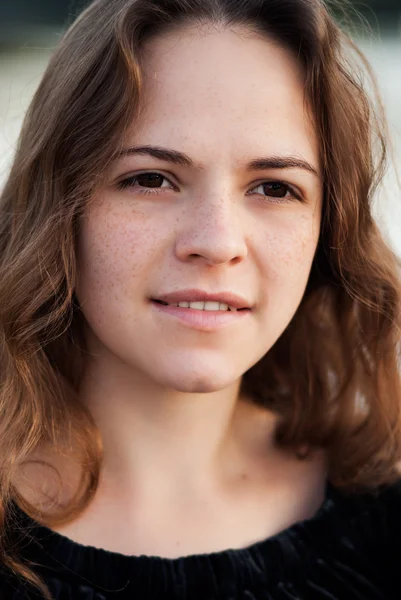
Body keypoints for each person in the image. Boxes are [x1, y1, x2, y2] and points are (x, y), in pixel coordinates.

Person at [0, 0, 401, 597]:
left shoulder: (386, 524)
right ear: (61, 209)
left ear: (329, 232)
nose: (216, 243)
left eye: (274, 187)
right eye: (151, 179)